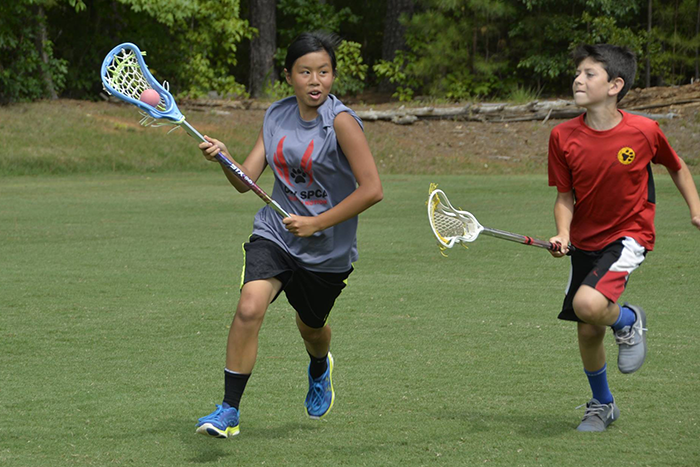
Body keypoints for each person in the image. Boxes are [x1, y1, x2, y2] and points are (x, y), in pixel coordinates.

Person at [194, 32, 383, 438]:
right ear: (289, 76)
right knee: (249, 306)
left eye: (324, 71)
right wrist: (224, 158)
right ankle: (228, 410)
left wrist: (316, 222)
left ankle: (319, 365)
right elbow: (245, 182)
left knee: (311, 328)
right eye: (305, 72)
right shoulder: (276, 116)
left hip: (327, 251)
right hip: (276, 234)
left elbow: (372, 189)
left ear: (333, 75)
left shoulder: (343, 123)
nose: (316, 80)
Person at [547, 44, 700, 432]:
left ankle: (629, 320)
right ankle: (603, 404)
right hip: (584, 239)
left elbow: (677, 168)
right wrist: (563, 232)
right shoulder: (562, 136)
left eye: (589, 74)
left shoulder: (644, 130)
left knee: (587, 302)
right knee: (587, 325)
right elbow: (565, 196)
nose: (578, 80)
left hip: (630, 234)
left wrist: (695, 210)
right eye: (577, 73)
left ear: (616, 85)